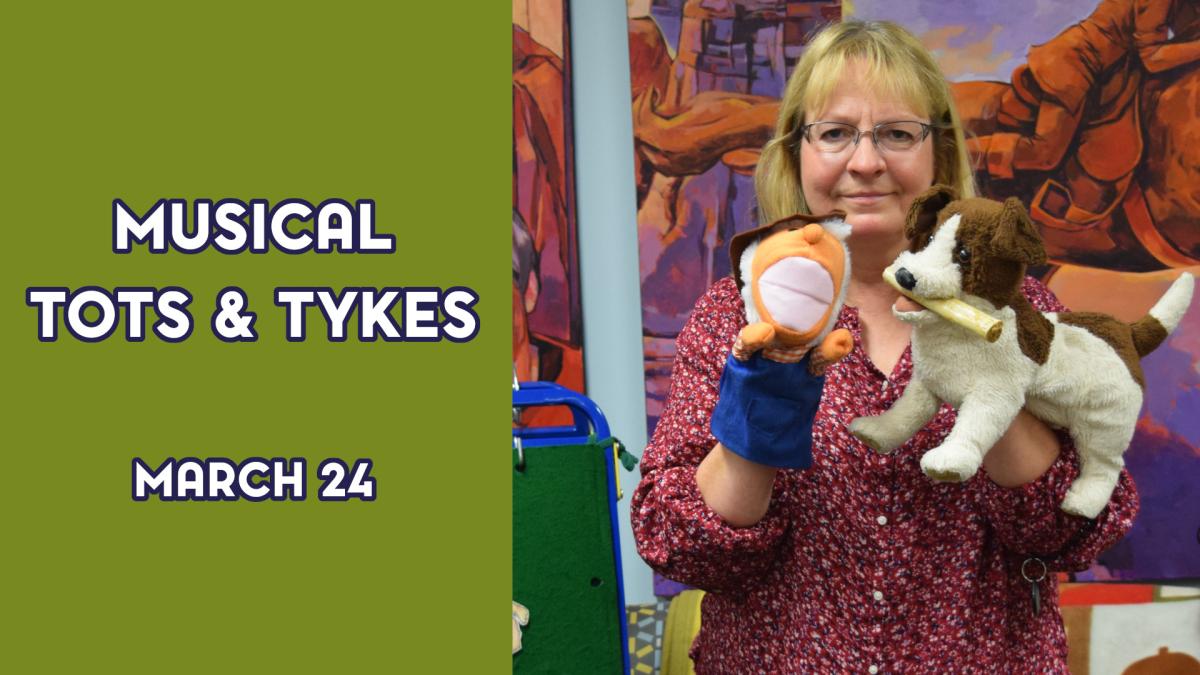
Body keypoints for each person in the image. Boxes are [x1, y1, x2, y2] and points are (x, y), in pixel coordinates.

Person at [630, 19, 1138, 674]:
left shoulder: (1024, 309)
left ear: (940, 154)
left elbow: (1079, 528)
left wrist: (994, 383)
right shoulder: (734, 314)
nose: (865, 161)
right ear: (796, 153)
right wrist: (761, 407)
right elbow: (680, 545)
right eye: (836, 133)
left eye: (896, 134)